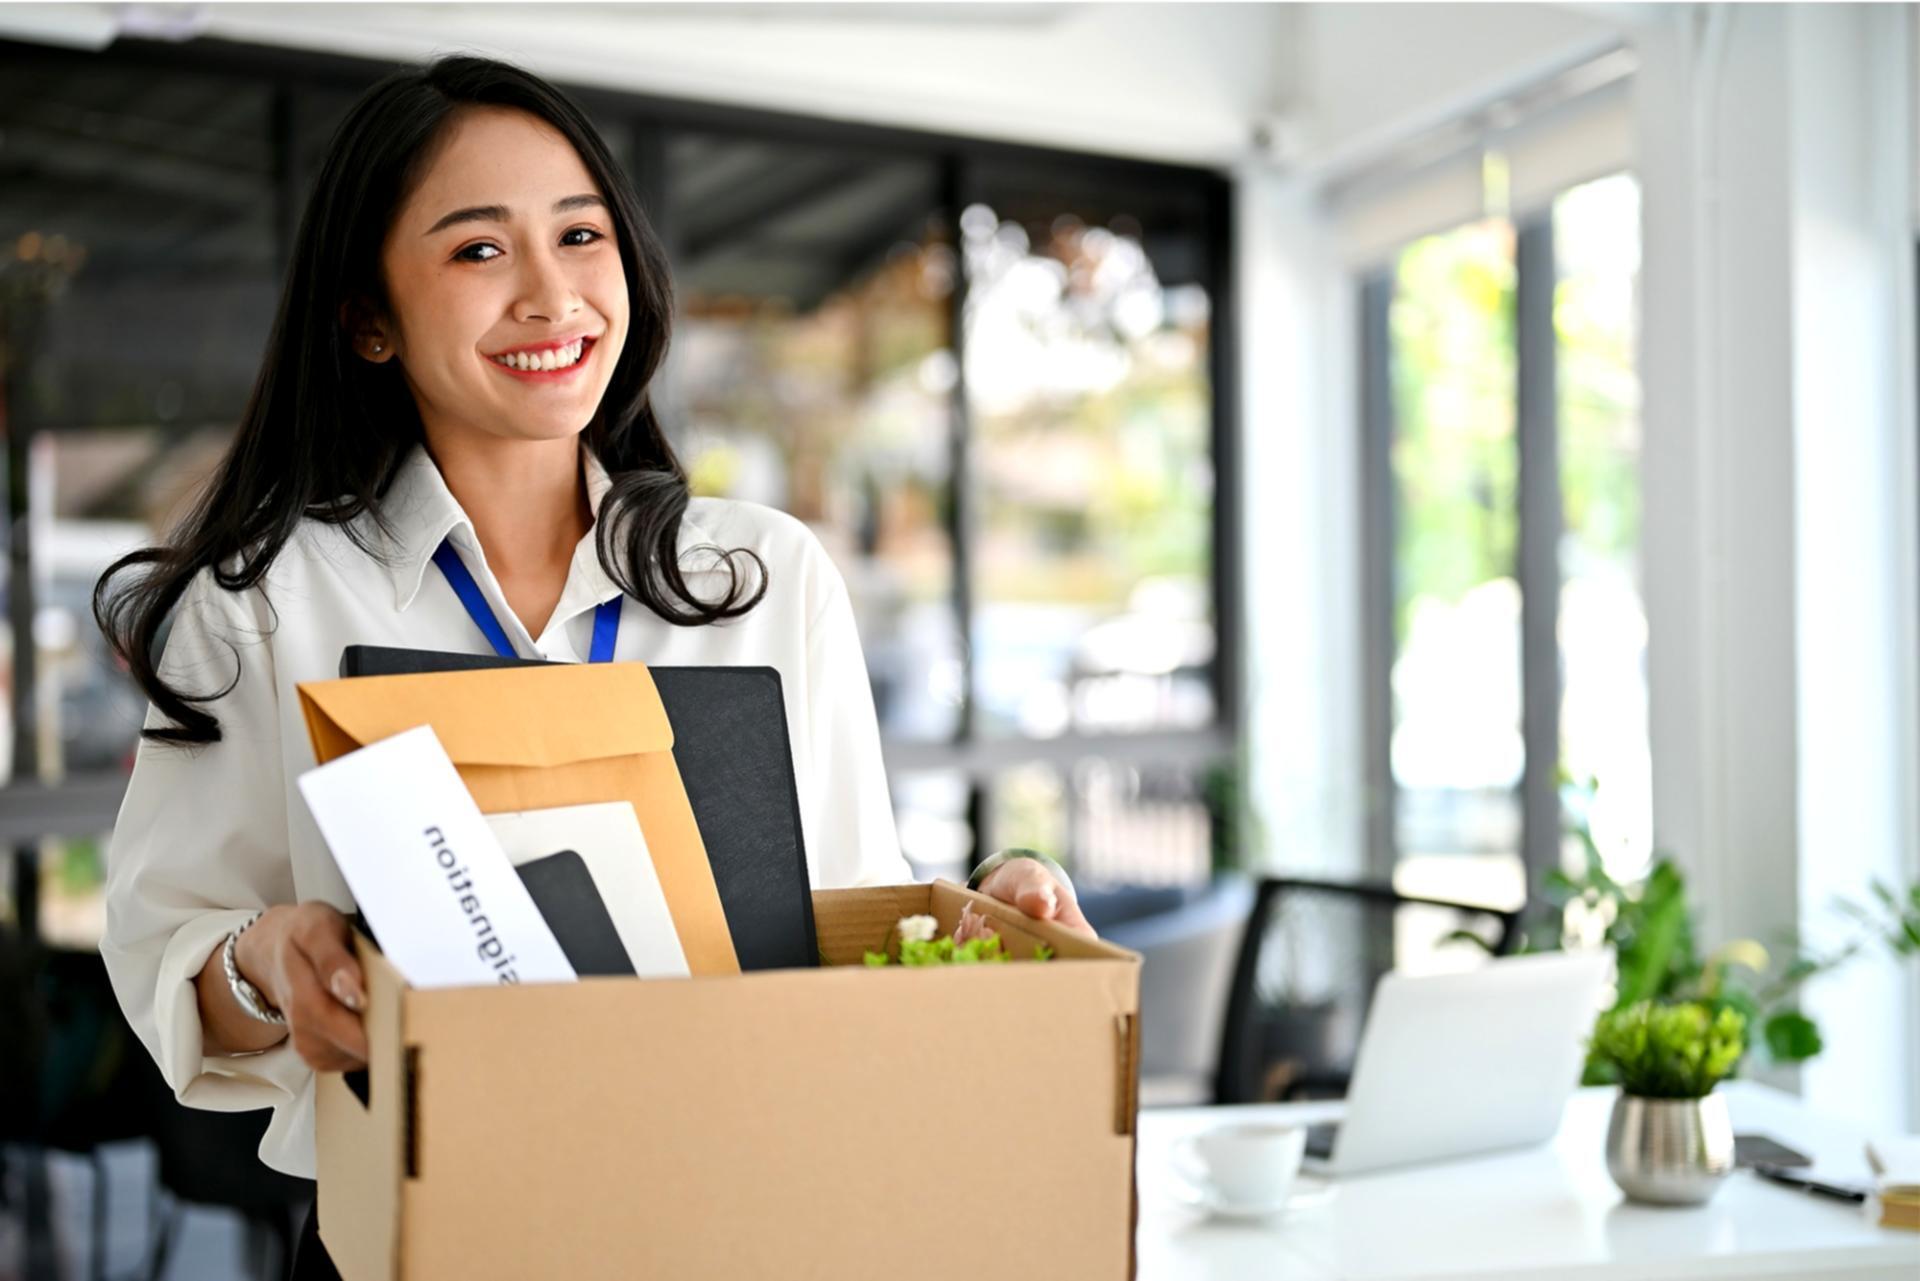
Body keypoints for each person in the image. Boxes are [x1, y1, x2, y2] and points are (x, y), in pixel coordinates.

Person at [93, 54, 1091, 1279]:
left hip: (740, 1233)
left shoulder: (765, 578)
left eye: (581, 235)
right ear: (366, 317)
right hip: (417, 1243)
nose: (551, 294)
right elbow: (165, 958)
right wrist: (264, 964)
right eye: (479, 249)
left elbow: (848, 912)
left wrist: (995, 905)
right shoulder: (261, 604)